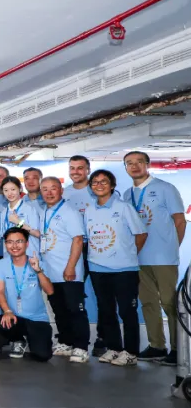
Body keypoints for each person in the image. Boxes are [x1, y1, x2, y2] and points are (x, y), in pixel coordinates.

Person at [123, 151, 184, 365]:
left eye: (139, 162)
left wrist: (172, 248)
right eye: (129, 163)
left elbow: (179, 221)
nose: (134, 166)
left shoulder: (165, 188)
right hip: (138, 258)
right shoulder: (127, 194)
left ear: (147, 164)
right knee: (148, 303)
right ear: (125, 168)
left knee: (169, 302)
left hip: (163, 257)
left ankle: (179, 349)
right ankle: (157, 345)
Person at [85, 169, 147, 367]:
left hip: (124, 270)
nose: (99, 185)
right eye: (95, 182)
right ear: (91, 187)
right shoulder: (89, 210)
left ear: (112, 185)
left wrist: (128, 254)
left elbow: (141, 234)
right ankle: (114, 348)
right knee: (106, 310)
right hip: (97, 269)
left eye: (104, 181)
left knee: (127, 312)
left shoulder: (124, 207)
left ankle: (131, 352)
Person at [0, 227, 55, 362]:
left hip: (37, 319)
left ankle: (31, 340)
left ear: (27, 244)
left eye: (19, 241)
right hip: (13, 318)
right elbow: (0, 291)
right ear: (5, 245)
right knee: (1, 325)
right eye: (10, 242)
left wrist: (38, 271)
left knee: (43, 355)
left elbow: (50, 291)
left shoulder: (38, 263)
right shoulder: (0, 265)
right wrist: (7, 311)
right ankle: (18, 339)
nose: (14, 246)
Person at [39, 177, 90, 363]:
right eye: (45, 189)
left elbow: (78, 240)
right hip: (51, 272)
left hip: (69, 272)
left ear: (61, 190)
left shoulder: (70, 211)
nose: (49, 192)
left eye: (53, 188)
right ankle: (66, 342)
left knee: (75, 310)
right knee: (59, 309)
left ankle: (81, 347)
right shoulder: (45, 211)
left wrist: (70, 267)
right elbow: (43, 235)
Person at [0, 177, 41, 257]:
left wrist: (19, 223)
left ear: (20, 188)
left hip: (29, 255)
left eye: (13, 189)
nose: (9, 193)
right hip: (9, 256)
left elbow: (37, 233)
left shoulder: (29, 209)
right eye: (6, 190)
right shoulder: (3, 213)